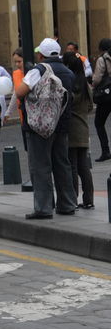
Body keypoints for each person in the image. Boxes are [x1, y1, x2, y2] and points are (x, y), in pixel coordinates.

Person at [15, 38, 77, 220]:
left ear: (41, 54)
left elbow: (20, 92)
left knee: (40, 165)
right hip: (62, 123)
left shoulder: (38, 69)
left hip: (39, 125)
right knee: (62, 164)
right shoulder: (68, 72)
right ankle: (67, 204)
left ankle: (43, 207)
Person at [62, 52, 96, 210]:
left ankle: (72, 198)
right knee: (84, 167)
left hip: (71, 129)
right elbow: (90, 107)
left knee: (72, 167)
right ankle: (89, 199)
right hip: (83, 128)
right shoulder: (86, 84)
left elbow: (65, 105)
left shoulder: (70, 83)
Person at [93, 38, 111, 162]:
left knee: (99, 123)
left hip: (106, 96)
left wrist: (93, 84)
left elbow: (97, 78)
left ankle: (106, 151)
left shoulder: (102, 59)